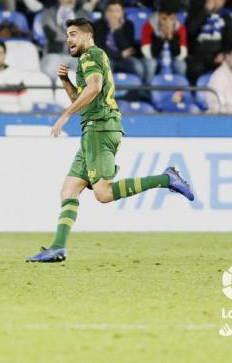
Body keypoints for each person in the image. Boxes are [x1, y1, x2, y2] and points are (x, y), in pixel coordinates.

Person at [27, 17, 193, 263]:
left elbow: (94, 88)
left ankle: (166, 178)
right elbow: (84, 99)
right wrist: (65, 81)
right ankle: (57, 247)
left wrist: (63, 116)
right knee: (69, 189)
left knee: (103, 194)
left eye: (73, 34)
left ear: (87, 36)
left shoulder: (90, 56)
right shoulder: (90, 58)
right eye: (67, 35)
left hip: (100, 129)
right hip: (93, 129)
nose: (68, 39)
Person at [185, 0, 232, 84]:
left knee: (228, 67)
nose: (215, 0)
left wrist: (224, 53)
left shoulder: (226, 17)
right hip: (198, 54)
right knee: (195, 68)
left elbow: (230, 40)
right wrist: (205, 11)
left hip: (217, 54)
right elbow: (190, 31)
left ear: (224, 0)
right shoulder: (196, 13)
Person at [41, 0, 89, 77]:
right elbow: (51, 34)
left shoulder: (81, 14)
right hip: (55, 53)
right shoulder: (48, 13)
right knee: (48, 72)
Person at [93, 0, 145, 82]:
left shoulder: (128, 25)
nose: (114, 14)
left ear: (122, 13)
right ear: (106, 13)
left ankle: (140, 93)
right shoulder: (98, 25)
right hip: (107, 57)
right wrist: (119, 54)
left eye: (117, 11)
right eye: (110, 11)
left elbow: (128, 48)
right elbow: (99, 48)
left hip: (125, 58)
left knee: (138, 67)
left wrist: (117, 30)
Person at [141, 0, 188, 83]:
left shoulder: (180, 28)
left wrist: (171, 38)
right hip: (154, 56)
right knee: (151, 64)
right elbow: (148, 54)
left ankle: (180, 90)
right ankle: (146, 92)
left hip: (173, 56)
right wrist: (161, 37)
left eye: (171, 19)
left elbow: (181, 55)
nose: (168, 23)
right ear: (159, 15)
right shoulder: (148, 26)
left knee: (181, 65)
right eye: (164, 18)